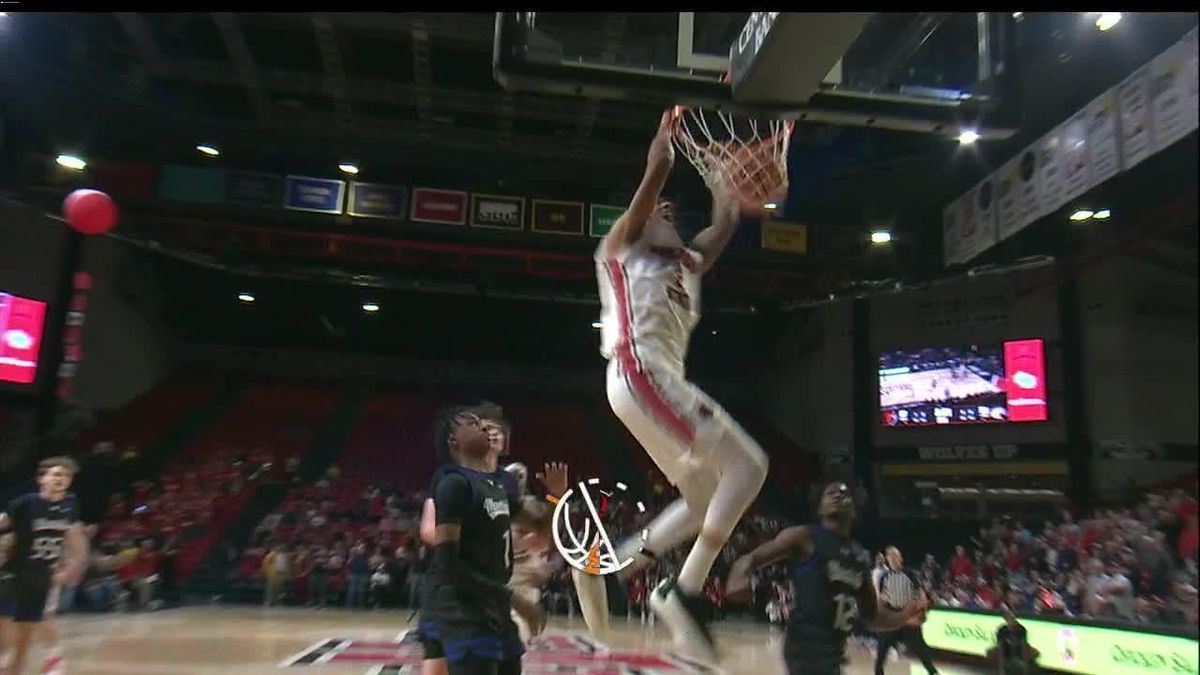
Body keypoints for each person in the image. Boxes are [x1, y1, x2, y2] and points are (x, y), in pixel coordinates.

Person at [578, 108, 769, 662]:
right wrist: (665, 142)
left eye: (669, 210)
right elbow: (655, 176)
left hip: (650, 388)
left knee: (706, 497)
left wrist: (727, 184)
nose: (664, 209)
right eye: (655, 208)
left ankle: (611, 564)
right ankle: (681, 592)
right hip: (640, 375)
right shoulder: (619, 249)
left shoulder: (686, 263)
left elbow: (724, 224)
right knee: (750, 466)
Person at [419, 404, 564, 675]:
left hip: (493, 603)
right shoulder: (452, 482)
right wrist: (516, 601)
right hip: (462, 607)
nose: (485, 427)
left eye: (487, 425)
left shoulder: (497, 485)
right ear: (454, 441)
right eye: (475, 425)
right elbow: (448, 564)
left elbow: (542, 528)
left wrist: (556, 496)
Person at [725, 482, 927, 675]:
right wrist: (738, 574)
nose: (839, 493)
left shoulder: (859, 557)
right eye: (831, 492)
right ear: (820, 508)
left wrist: (905, 614)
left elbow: (872, 617)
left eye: (844, 492)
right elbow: (750, 558)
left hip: (833, 653)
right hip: (805, 648)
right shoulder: (805, 537)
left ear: (854, 510)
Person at [0, 457, 89, 675]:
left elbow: (74, 539)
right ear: (42, 478)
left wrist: (69, 569)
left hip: (43, 574)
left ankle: (35, 664)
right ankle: (7, 659)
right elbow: (3, 523)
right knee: (4, 619)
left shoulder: (70, 506)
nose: (62, 479)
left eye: (66, 476)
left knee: (31, 624)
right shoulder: (25, 503)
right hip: (15, 569)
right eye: (56, 474)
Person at [874, 546, 937, 675]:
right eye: (890, 557)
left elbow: (921, 596)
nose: (893, 559)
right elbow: (882, 600)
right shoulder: (884, 577)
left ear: (901, 558)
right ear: (887, 560)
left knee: (921, 651)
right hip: (892, 620)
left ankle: (933, 672)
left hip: (908, 619)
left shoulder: (910, 574)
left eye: (896, 556)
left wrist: (921, 615)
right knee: (881, 651)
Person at [987, 605, 1040, 674]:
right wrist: (1001, 670)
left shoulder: (1021, 629)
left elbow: (1024, 646)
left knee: (1035, 653)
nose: (1011, 621)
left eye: (1012, 618)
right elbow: (1001, 648)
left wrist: (1025, 667)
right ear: (1006, 620)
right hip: (1006, 650)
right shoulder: (1002, 630)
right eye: (1008, 619)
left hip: (1019, 650)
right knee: (990, 652)